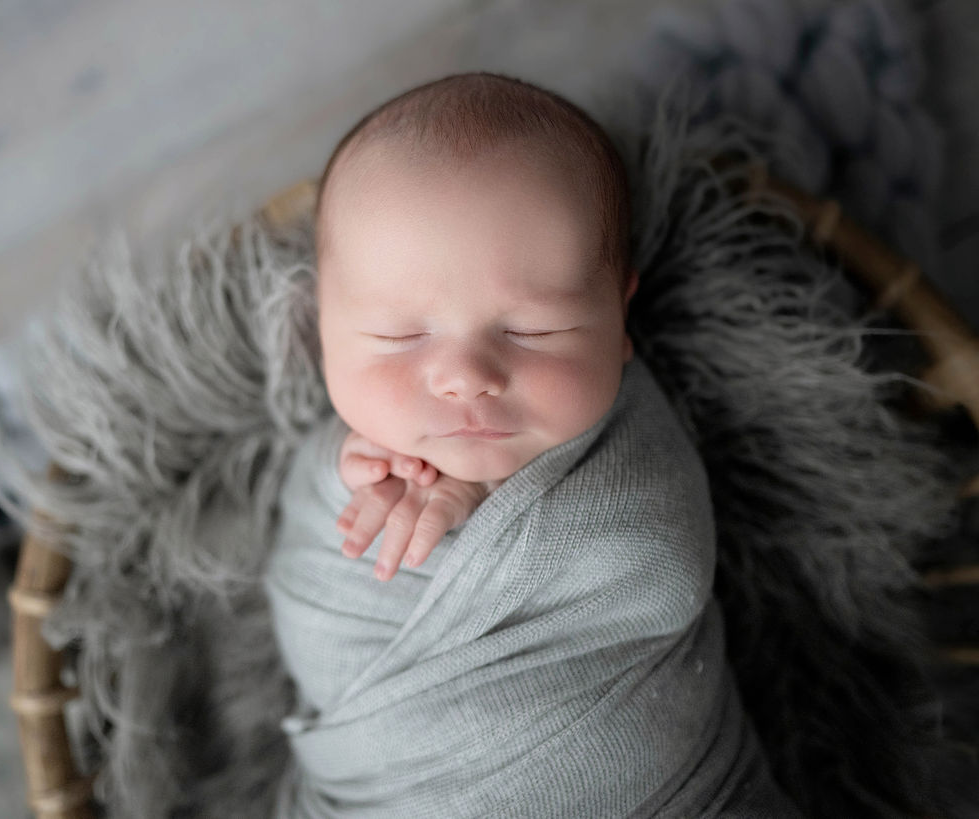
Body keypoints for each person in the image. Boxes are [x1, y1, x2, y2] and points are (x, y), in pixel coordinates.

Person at [265, 72, 800, 817]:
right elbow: (315, 588)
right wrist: (345, 476)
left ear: (619, 319)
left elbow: (659, 560)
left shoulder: (632, 464)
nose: (466, 377)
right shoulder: (343, 455)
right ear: (320, 325)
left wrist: (483, 497)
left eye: (531, 330)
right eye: (398, 336)